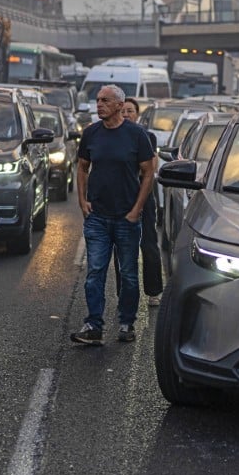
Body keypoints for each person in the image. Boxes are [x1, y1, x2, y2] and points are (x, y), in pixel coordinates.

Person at [71, 84, 155, 345]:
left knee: (128, 273)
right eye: (98, 100)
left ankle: (127, 322)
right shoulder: (91, 133)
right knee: (95, 271)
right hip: (97, 216)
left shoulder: (136, 135)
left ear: (120, 105)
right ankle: (94, 325)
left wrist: (136, 210)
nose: (99, 105)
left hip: (126, 218)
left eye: (105, 101)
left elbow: (148, 172)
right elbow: (82, 167)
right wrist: (82, 201)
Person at [121, 98, 163, 306]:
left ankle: (153, 291)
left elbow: (151, 167)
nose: (127, 114)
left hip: (144, 197)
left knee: (149, 244)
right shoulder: (113, 135)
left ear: (137, 114)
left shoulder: (148, 137)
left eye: (130, 111)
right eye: (124, 111)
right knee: (121, 248)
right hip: (120, 198)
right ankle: (124, 294)